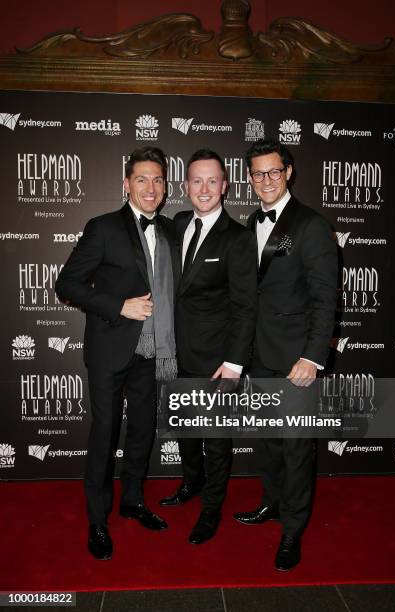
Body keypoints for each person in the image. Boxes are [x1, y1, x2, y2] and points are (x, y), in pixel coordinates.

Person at [55, 147, 179, 560]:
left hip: (151, 352)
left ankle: (133, 501)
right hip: (110, 349)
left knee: (142, 431)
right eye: (142, 179)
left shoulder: (171, 232)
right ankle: (97, 519)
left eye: (158, 179)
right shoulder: (103, 227)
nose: (151, 187)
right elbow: (67, 284)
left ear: (165, 186)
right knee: (105, 435)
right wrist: (118, 305)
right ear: (126, 184)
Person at [233, 138, 338, 571]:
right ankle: (272, 504)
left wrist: (312, 358)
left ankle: (293, 529)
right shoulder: (248, 225)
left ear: (289, 172)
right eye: (258, 173)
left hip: (296, 360)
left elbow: (325, 298)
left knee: (296, 448)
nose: (266, 180)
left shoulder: (310, 226)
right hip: (260, 356)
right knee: (270, 444)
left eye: (274, 171)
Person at [159, 148, 258, 544]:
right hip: (177, 354)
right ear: (185, 186)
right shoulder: (178, 224)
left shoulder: (237, 239)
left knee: (216, 440)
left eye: (212, 180)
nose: (204, 188)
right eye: (196, 180)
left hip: (217, 361)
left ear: (225, 186)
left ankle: (212, 507)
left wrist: (235, 363)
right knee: (186, 430)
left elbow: (246, 306)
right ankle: (191, 483)